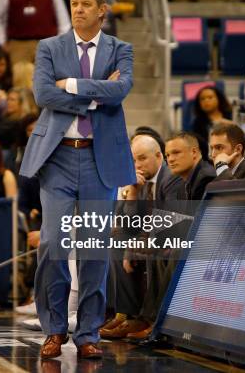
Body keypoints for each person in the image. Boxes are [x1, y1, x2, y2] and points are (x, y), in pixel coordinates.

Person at [18, 0, 134, 359]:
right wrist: (96, 94)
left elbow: (122, 91)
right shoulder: (49, 47)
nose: (78, 10)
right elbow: (43, 95)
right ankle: (54, 329)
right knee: (52, 242)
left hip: (101, 159)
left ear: (102, 10)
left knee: (94, 249)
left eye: (86, 4)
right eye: (74, 4)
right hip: (59, 158)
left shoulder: (121, 49)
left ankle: (88, 333)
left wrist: (71, 85)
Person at [103, 135, 182, 340]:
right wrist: (134, 192)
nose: (137, 165)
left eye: (142, 158)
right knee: (115, 240)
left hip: (173, 235)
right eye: (133, 160)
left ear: (158, 156)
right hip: (154, 235)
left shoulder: (170, 178)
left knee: (127, 244)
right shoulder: (141, 181)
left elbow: (170, 223)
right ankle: (126, 313)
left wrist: (135, 244)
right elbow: (128, 226)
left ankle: (145, 318)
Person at [165, 132, 215, 200]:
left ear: (194, 152)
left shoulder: (207, 179)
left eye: (176, 152)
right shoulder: (182, 184)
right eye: (167, 155)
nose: (170, 159)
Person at [191, 85, 233, 159]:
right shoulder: (197, 122)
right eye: (202, 99)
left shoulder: (231, 116)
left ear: (218, 99)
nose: (206, 101)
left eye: (210, 97)